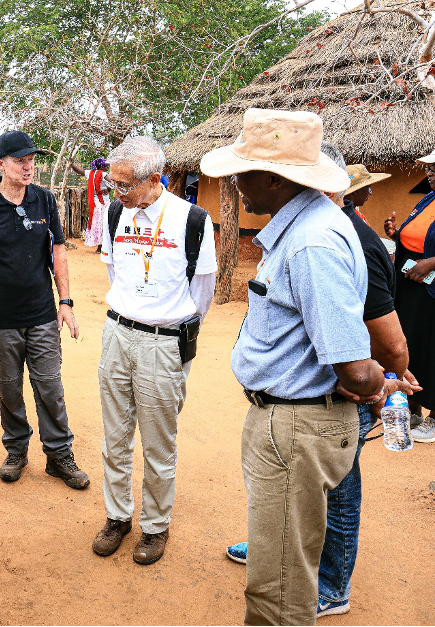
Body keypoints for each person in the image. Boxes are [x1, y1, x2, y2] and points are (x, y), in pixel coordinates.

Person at [200, 108, 389, 626]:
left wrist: (377, 383)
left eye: (244, 171)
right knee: (284, 560)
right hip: (291, 421)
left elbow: (352, 367)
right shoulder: (307, 227)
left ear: (278, 179)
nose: (235, 183)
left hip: (297, 426)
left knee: (278, 588)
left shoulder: (311, 242)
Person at [91, 136, 217, 566]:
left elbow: (202, 294)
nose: (116, 193)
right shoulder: (114, 213)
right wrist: (131, 313)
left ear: (155, 180)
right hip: (117, 335)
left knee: (158, 444)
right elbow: (114, 272)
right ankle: (117, 517)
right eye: (113, 184)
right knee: (115, 437)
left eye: (124, 186)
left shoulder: (193, 221)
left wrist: (166, 325)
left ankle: (156, 526)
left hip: (163, 344)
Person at [0, 130, 90, 489]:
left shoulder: (44, 200)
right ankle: (17, 449)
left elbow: (58, 251)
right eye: (20, 160)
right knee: (8, 387)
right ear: (0, 164)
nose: (28, 166)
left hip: (41, 315)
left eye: (31, 159)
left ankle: (58, 454)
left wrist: (64, 302)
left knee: (50, 386)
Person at [384, 152, 435, 441]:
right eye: (429, 169)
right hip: (413, 285)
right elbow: (418, 236)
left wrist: (431, 262)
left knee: (432, 348)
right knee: (411, 344)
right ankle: (413, 409)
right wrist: (396, 235)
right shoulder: (428, 199)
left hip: (431, 288)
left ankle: (434, 417)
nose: (429, 173)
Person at [70, 157, 112, 251]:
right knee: (104, 223)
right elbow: (113, 183)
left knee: (96, 223)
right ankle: (101, 246)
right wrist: (108, 189)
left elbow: (79, 171)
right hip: (103, 203)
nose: (107, 167)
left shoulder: (91, 173)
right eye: (106, 165)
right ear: (102, 166)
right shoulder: (104, 174)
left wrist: (71, 163)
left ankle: (99, 246)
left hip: (95, 204)